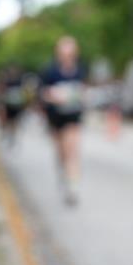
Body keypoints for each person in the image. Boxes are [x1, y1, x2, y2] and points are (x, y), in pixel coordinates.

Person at [40, 37, 86, 206]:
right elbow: (43, 93)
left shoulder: (80, 70)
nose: (67, 56)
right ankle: (64, 175)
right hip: (56, 117)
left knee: (72, 151)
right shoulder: (50, 72)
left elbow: (83, 90)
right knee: (61, 153)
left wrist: (80, 95)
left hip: (73, 116)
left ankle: (73, 187)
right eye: (64, 53)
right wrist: (54, 96)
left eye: (70, 53)